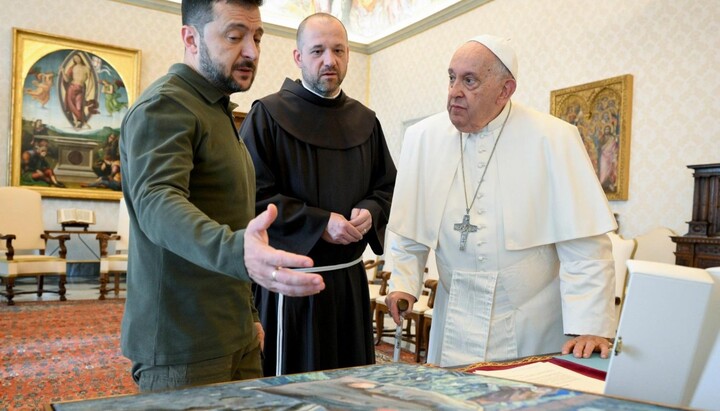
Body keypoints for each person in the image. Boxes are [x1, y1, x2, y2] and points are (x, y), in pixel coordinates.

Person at [119, 0, 325, 392]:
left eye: (257, 37)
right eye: (235, 36)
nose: (252, 51)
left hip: (235, 335)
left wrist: (248, 315)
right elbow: (158, 201)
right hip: (183, 346)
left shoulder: (217, 109)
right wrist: (238, 253)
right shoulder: (166, 105)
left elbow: (236, 223)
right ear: (190, 38)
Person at [385, 35, 617, 368]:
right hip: (453, 313)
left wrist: (589, 326)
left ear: (505, 90)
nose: (454, 91)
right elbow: (410, 229)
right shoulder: (423, 138)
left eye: (470, 81)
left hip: (528, 319)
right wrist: (404, 283)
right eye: (451, 78)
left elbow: (585, 245)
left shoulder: (553, 138)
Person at [240, 12, 396, 376]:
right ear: (298, 57)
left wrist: (371, 211)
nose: (330, 60)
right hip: (291, 286)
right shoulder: (267, 115)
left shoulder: (367, 121)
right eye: (318, 51)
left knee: (349, 385)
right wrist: (321, 222)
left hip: (348, 284)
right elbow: (253, 197)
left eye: (339, 50)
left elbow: (387, 185)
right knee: (293, 390)